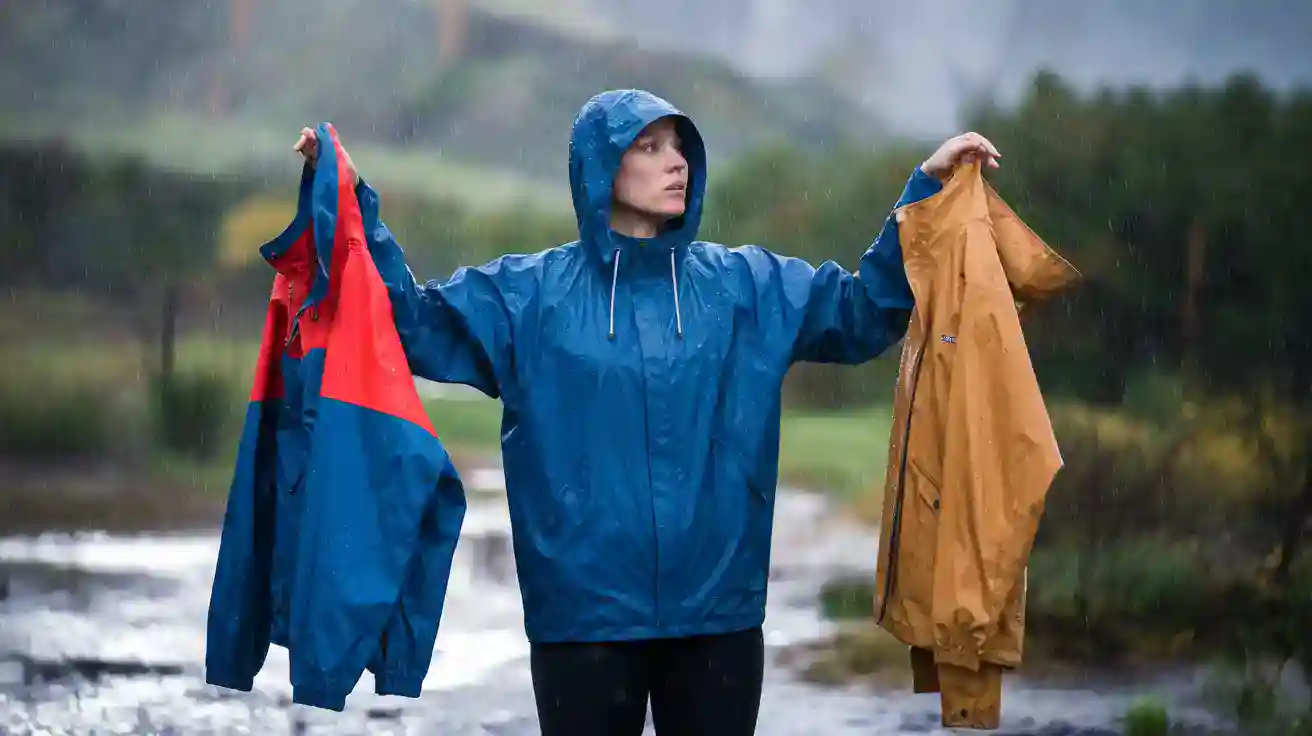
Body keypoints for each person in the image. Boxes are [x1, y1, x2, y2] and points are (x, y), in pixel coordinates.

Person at [293, 88, 1000, 736]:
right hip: (583, 620)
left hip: (718, 616)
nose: (677, 163)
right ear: (601, 168)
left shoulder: (746, 287)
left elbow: (862, 312)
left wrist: (926, 193)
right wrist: (352, 202)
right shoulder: (526, 297)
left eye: (680, 146)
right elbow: (408, 322)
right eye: (650, 147)